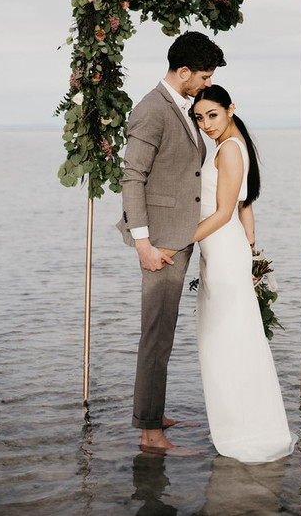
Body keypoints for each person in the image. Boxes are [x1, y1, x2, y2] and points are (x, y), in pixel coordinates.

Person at [117, 31, 226, 456]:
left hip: (178, 235)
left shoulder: (180, 107)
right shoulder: (151, 110)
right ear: (183, 72)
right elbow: (132, 178)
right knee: (157, 336)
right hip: (160, 241)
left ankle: (152, 412)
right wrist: (143, 244)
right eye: (203, 76)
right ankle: (150, 435)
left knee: (163, 333)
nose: (206, 83)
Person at [191, 85, 295, 463]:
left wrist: (176, 243)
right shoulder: (233, 144)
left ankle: (244, 427)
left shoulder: (231, 149)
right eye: (200, 118)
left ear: (230, 109)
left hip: (220, 249)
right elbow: (244, 207)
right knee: (231, 339)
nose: (206, 125)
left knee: (227, 341)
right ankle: (239, 420)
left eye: (213, 115)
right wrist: (251, 249)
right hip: (223, 250)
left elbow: (221, 213)